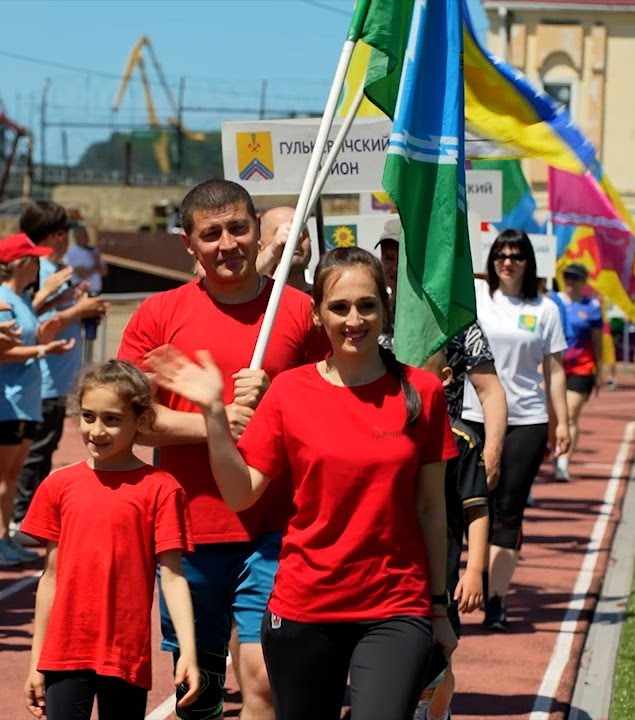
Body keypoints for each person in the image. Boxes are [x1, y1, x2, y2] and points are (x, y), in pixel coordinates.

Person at [146, 247, 457, 720]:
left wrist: (439, 608)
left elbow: (432, 508)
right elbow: (240, 492)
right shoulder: (288, 391)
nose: (354, 319)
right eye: (339, 307)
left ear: (385, 307)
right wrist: (213, 415)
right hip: (305, 606)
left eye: (367, 305)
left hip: (396, 604)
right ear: (317, 314)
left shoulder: (422, 392)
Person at [117, 179, 329, 720]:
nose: (228, 244)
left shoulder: (301, 311)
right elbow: (129, 421)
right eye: (211, 234)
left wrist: (277, 401)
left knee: (261, 674)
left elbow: (335, 408)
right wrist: (217, 422)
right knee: (201, 692)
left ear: (257, 229)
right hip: (191, 529)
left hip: (278, 526)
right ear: (189, 244)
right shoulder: (158, 315)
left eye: (238, 228)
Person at [22, 360, 200, 720]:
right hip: (64, 651)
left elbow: (173, 576)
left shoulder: (162, 489)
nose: (96, 430)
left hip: (126, 653)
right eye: (88, 417)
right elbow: (50, 579)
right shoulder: (58, 485)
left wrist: (189, 651)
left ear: (141, 421)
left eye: (112, 419)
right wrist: (36, 660)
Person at [463, 230, 569, 632]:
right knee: (470, 504)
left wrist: (563, 421)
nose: (507, 262)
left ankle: (496, 600)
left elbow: (554, 370)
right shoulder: (475, 294)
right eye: (500, 255)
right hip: (473, 415)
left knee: (507, 511)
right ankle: (460, 587)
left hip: (526, 420)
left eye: (517, 256)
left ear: (529, 262)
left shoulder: (546, 309)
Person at [378, 221, 506, 492]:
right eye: (388, 258)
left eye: (402, 257)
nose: (394, 267)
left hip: (439, 461)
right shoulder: (369, 320)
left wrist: (492, 452)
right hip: (381, 461)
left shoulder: (456, 322)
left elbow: (490, 391)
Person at [0, 233, 75, 566]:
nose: (40, 266)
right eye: (34, 259)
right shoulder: (1, 300)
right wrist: (44, 347)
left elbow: (23, 342)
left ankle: (3, 536)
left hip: (25, 399)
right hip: (7, 399)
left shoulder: (20, 299)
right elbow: (3, 353)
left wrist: (46, 336)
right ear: (22, 264)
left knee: (11, 474)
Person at [13, 200, 108, 543]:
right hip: (43, 377)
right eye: (64, 233)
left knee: (44, 448)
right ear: (55, 235)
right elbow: (31, 323)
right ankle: (20, 519)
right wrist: (77, 309)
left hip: (55, 377)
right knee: (33, 452)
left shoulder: (54, 268)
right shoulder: (38, 270)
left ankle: (30, 518)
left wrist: (76, 302)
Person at [413, 349, 491, 720]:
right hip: (390, 571)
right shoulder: (383, 429)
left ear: (445, 377)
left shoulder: (461, 440)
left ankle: (437, 710)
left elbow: (476, 510)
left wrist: (475, 569)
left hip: (439, 577)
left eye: (418, 369)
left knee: (437, 659)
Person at [550, 263, 604, 481]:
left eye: (575, 278)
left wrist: (599, 369)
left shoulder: (592, 307)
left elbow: (598, 341)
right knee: (552, 416)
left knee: (570, 414)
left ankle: (563, 461)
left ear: (584, 281)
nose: (570, 281)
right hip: (554, 367)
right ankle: (552, 451)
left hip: (581, 368)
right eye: (567, 277)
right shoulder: (553, 301)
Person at [255, 206, 312, 292]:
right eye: (282, 233)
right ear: (259, 247)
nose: (295, 239)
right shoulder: (249, 299)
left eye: (302, 231)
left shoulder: (325, 298)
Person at [65, 221, 107, 296]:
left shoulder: (93, 250)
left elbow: (104, 272)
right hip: (82, 293)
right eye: (83, 235)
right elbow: (82, 274)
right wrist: (96, 266)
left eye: (86, 235)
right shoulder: (73, 252)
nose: (86, 237)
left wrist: (96, 262)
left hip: (97, 291)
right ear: (76, 237)